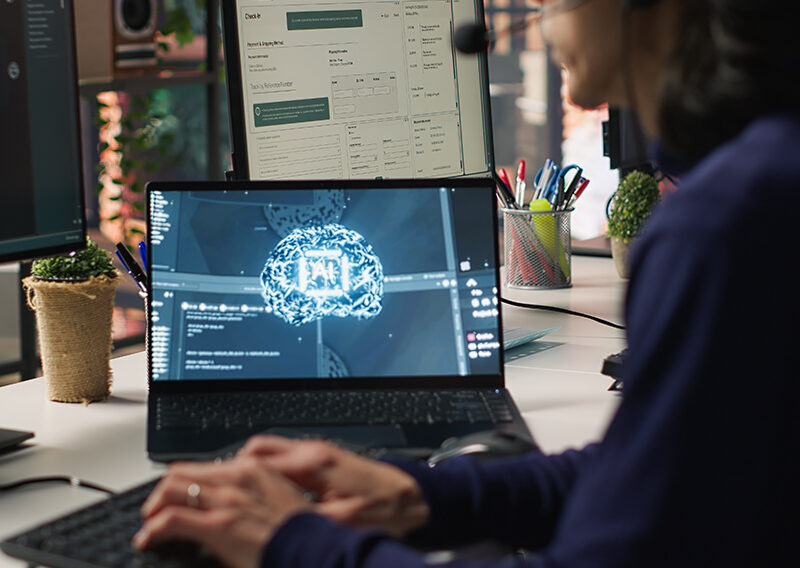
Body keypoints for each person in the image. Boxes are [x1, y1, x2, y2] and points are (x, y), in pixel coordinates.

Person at [132, 0, 800, 565]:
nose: (537, 22)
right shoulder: (763, 179)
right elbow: (660, 478)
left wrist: (297, 543)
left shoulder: (730, 224)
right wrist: (430, 496)